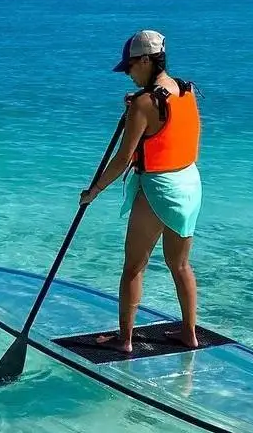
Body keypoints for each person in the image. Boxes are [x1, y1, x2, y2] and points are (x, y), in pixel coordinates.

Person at [79, 29, 202, 353]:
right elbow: (167, 127)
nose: (129, 74)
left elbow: (122, 159)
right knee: (180, 265)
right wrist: (136, 107)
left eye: (131, 68)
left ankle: (125, 340)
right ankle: (189, 334)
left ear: (145, 61)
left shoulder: (144, 103)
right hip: (189, 184)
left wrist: (94, 190)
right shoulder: (186, 89)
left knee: (134, 266)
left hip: (159, 188)